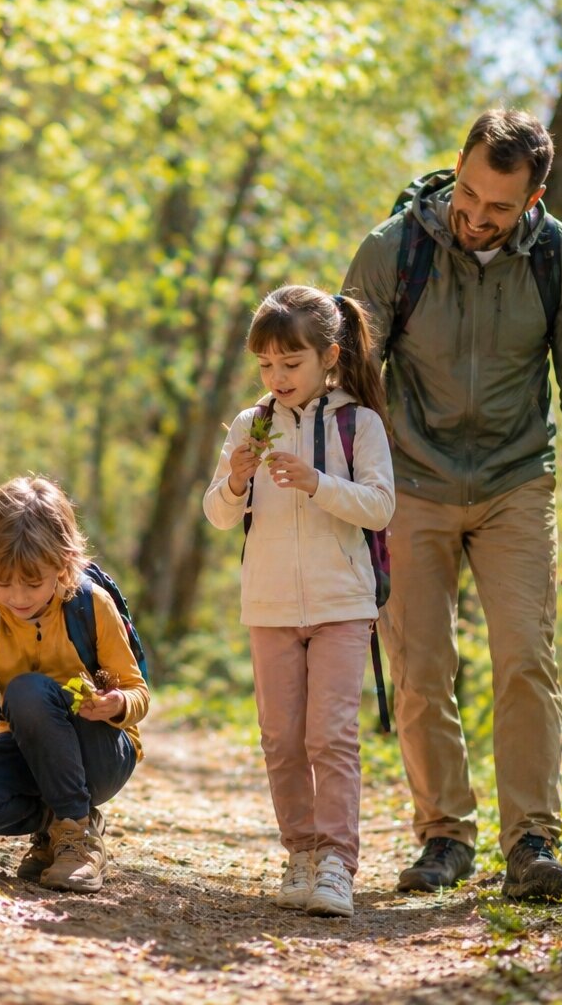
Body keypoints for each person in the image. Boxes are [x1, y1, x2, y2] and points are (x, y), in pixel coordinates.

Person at [340, 109, 562, 901]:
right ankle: (443, 835)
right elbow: (347, 380)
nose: (474, 215)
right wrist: (343, 496)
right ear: (456, 169)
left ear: (534, 199)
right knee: (422, 665)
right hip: (410, 481)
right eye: (466, 191)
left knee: (526, 658)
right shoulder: (392, 250)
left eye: (497, 205)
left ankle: (531, 838)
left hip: (515, 481)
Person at [203, 285, 395, 918]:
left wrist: (318, 483)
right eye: (266, 365)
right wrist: (236, 477)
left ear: (329, 357)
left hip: (343, 603)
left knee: (331, 736)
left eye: (291, 364)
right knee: (281, 738)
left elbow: (380, 505)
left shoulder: (358, 423)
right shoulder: (249, 423)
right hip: (271, 606)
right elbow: (219, 517)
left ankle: (337, 862)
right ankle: (302, 853)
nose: (277, 377)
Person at [0, 476, 150, 894]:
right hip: (34, 752)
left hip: (99, 755)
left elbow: (138, 691)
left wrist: (117, 703)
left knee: (27, 691)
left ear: (63, 564)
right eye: (2, 580)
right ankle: (55, 824)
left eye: (32, 582)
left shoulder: (90, 604)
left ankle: (77, 837)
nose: (16, 596)